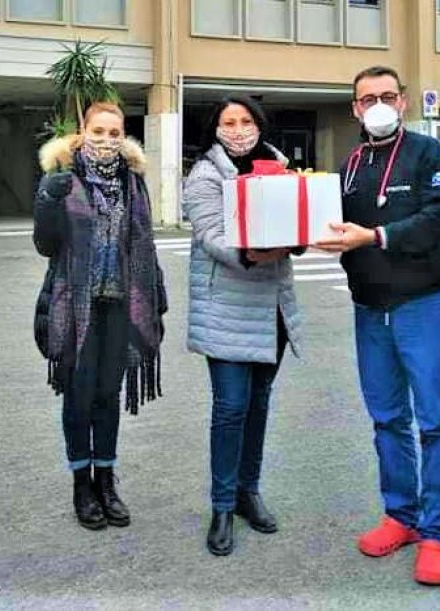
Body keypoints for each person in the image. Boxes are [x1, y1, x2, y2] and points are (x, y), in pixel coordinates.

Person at [315, 66, 440, 586]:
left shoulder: (427, 152)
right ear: (354, 108)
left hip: (425, 303)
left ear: (402, 103)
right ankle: (401, 515)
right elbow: (331, 223)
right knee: (387, 417)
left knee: (437, 421)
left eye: (386, 96)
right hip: (370, 307)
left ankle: (436, 533)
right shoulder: (350, 164)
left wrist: (372, 238)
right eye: (366, 98)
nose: (377, 105)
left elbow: (436, 219)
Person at [33, 102, 167, 532]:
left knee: (108, 395)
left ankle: (106, 481)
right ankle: (81, 484)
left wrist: (155, 297)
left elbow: (144, 242)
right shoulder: (63, 177)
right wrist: (48, 200)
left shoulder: (133, 181)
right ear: (82, 131)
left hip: (120, 305)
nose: (106, 139)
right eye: (99, 131)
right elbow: (46, 245)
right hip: (76, 307)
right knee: (79, 397)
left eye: (114, 132)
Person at [182, 96, 303, 556]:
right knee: (231, 407)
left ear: (259, 124)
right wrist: (254, 254)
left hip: (271, 309)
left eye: (246, 120)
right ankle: (222, 505)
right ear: (215, 129)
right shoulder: (205, 175)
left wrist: (297, 240)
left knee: (258, 404)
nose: (238, 129)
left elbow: (296, 219)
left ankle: (249, 492)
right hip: (227, 310)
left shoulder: (278, 166)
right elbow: (212, 236)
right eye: (229, 122)